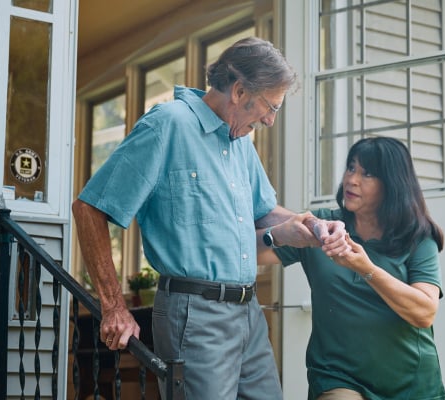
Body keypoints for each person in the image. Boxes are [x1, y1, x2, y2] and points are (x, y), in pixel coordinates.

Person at [72, 37, 349, 399]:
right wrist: (113, 306)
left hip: (248, 312)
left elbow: (264, 212)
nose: (269, 119)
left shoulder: (240, 144)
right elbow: (90, 208)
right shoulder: (168, 125)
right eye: (270, 107)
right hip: (194, 315)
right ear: (238, 91)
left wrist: (311, 223)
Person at [258, 137, 445, 400]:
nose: (352, 179)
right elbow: (253, 253)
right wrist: (277, 233)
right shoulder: (324, 228)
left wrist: (365, 267)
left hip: (411, 384)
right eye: (351, 168)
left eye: (367, 174)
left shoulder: (417, 238)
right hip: (338, 377)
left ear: (392, 184)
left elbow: (424, 312)